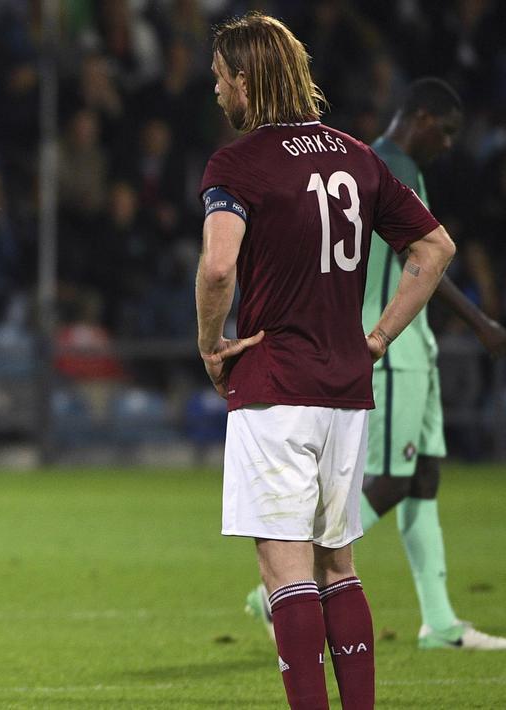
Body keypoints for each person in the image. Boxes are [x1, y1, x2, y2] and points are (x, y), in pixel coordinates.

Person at [196, 13, 455, 710]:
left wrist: (210, 345)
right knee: (337, 565)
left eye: (219, 77)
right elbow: (435, 249)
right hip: (345, 388)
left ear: (245, 80)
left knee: (285, 573)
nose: (215, 90)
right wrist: (378, 338)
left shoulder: (237, 164)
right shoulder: (356, 156)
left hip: (275, 384)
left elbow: (218, 267)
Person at [244, 79, 506, 651]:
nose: (448, 144)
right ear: (420, 117)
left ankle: (439, 622)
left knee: (424, 477)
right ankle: (280, 585)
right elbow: (426, 255)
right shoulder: (386, 166)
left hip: (415, 345)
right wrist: (480, 322)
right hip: (391, 347)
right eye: (445, 131)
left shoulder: (374, 162)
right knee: (392, 480)